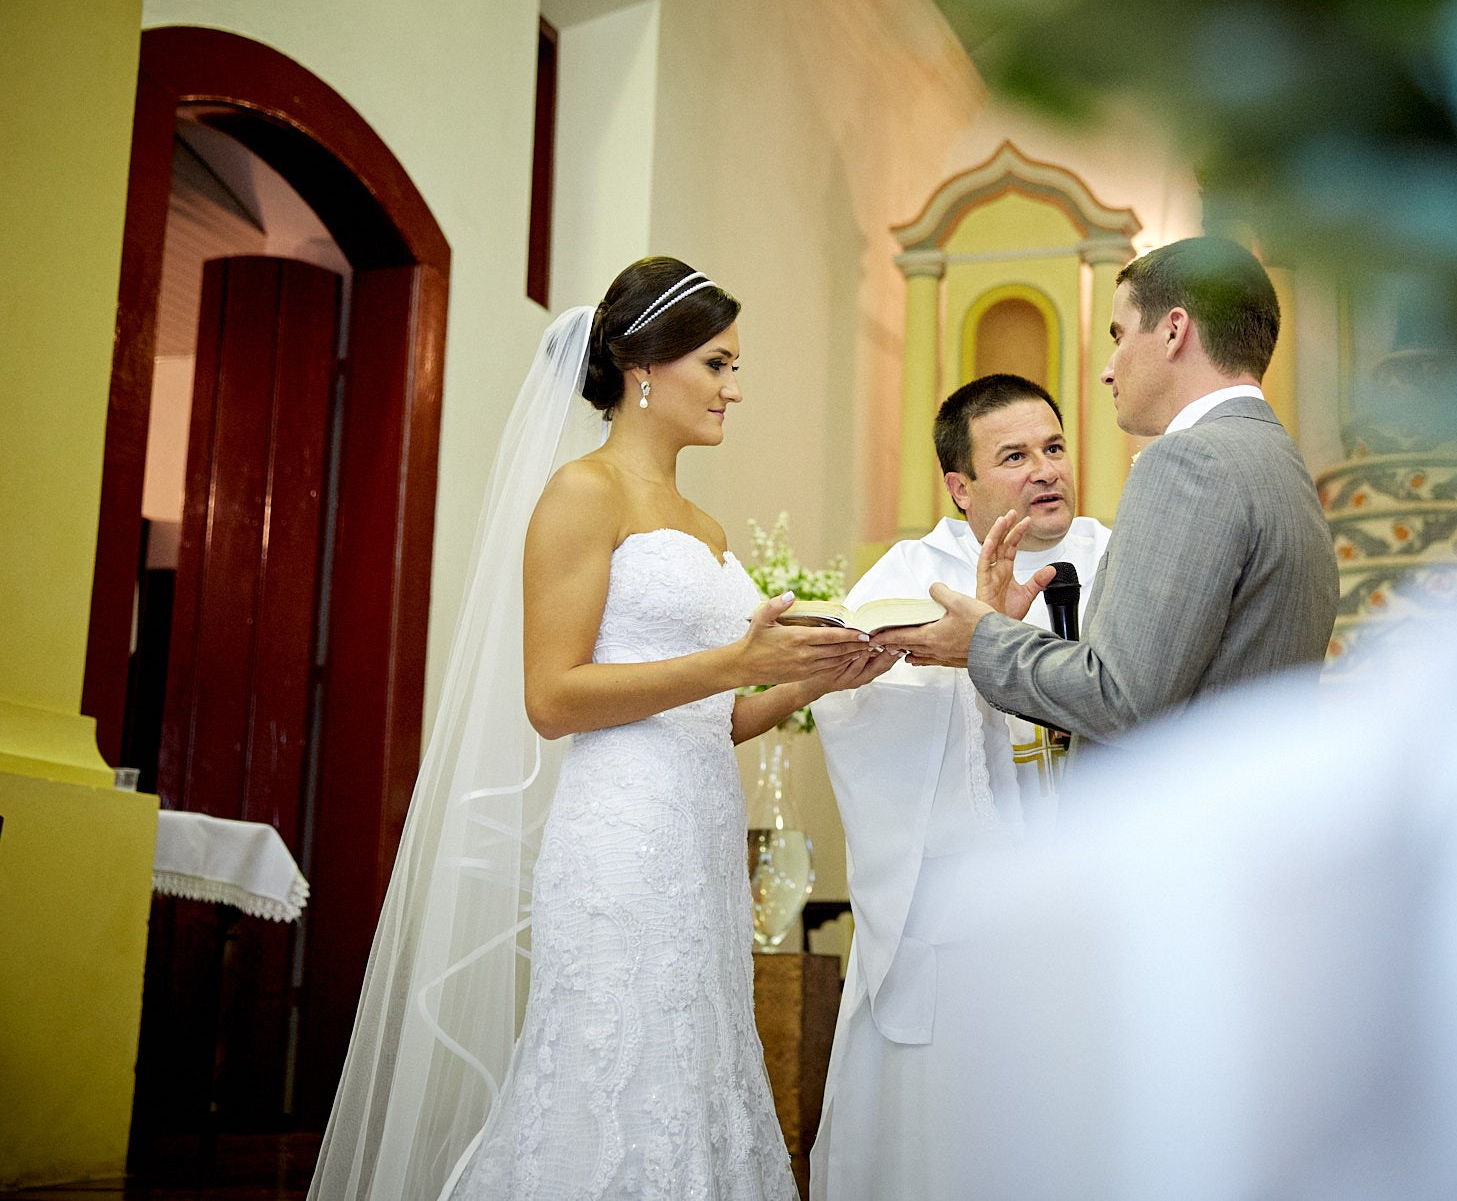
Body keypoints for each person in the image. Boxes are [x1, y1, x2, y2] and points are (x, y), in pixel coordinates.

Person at [309, 258, 892, 1201]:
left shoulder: (704, 524)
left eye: (736, 365)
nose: (734, 388)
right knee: (612, 1066)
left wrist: (817, 675)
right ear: (643, 367)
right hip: (617, 838)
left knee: (698, 1062)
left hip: (699, 836)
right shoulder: (581, 493)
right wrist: (735, 662)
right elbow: (553, 696)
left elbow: (715, 717)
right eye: (717, 363)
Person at [808, 374, 1110, 1201]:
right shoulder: (910, 574)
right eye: (1014, 455)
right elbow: (853, 712)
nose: (1046, 469)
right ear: (960, 485)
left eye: (1053, 446)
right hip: (963, 920)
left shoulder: (1114, 554)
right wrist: (977, 650)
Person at [877, 235, 1339, 754]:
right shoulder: (1278, 455)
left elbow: (1119, 697)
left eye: (1119, 335)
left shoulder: (1188, 460)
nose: (1108, 368)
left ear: (1173, 331)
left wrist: (982, 640)